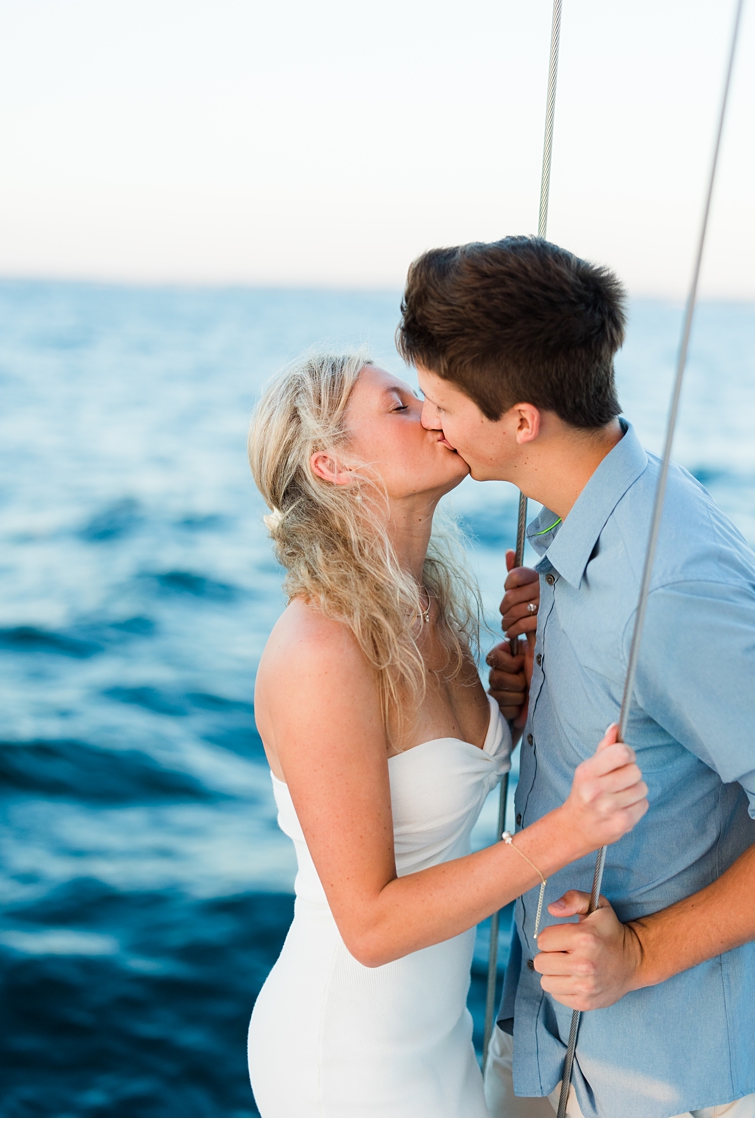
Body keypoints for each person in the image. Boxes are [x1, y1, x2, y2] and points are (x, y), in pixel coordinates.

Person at [403, 236, 755, 1117]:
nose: (428, 422)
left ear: (522, 420)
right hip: (553, 1042)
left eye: (439, 401)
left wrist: (643, 956)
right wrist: (545, 690)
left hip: (662, 1077)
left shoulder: (673, 582)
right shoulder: (595, 521)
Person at [244, 349, 648, 1116]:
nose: (432, 413)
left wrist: (518, 702)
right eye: (399, 407)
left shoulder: (423, 602)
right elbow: (368, 924)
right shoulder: (320, 651)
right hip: (347, 1056)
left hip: (435, 1035)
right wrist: (570, 832)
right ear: (333, 466)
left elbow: (439, 771)